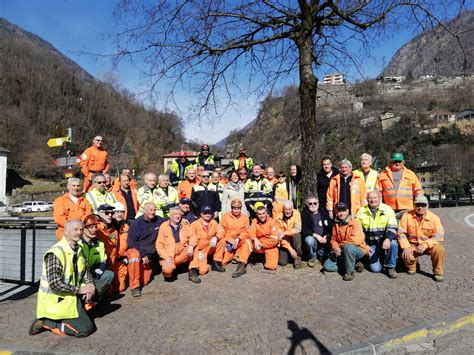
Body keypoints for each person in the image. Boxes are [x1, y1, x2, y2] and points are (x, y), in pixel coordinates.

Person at [29, 220, 96, 337]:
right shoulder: (56, 253)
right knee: (86, 329)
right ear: (66, 233)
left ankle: (81, 308)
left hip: (72, 294)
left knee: (101, 285)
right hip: (58, 300)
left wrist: (90, 285)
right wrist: (81, 290)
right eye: (75, 230)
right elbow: (55, 284)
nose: (79, 232)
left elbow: (85, 271)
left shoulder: (79, 249)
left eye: (81, 229)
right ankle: (47, 322)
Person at [398, 195, 445, 282]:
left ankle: (438, 272)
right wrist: (406, 247)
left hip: (427, 245)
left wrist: (425, 244)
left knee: (439, 249)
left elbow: (439, 235)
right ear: (414, 205)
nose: (420, 208)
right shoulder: (407, 216)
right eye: (418, 205)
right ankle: (412, 266)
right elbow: (401, 233)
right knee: (405, 254)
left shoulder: (434, 218)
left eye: (423, 205)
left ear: (427, 205)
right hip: (412, 244)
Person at [126, 202, 166, 297]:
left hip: (150, 255)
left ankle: (139, 274)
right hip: (138, 252)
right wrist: (143, 255)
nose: (152, 212)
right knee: (134, 256)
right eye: (150, 210)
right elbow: (131, 242)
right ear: (144, 210)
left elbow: (169, 221)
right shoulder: (136, 223)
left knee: (145, 281)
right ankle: (134, 287)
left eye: (154, 210)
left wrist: (182, 220)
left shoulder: (158, 220)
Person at [356, 191, 398, 278]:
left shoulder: (388, 209)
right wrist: (364, 244)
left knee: (393, 243)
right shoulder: (361, 211)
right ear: (367, 199)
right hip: (371, 243)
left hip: (384, 240)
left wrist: (388, 239)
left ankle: (391, 267)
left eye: (375, 197)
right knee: (376, 269)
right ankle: (378, 257)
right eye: (370, 198)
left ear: (380, 198)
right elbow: (358, 231)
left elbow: (393, 227)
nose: (372, 200)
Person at [323, 202, 369, 281]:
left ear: (347, 211)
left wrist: (340, 246)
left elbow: (355, 240)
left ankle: (350, 272)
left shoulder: (355, 223)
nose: (340, 213)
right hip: (342, 250)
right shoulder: (335, 224)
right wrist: (336, 248)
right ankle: (353, 264)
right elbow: (333, 240)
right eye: (338, 211)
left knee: (348, 247)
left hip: (358, 249)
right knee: (327, 266)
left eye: (343, 211)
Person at [232, 203, 279, 277]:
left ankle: (260, 257)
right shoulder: (254, 221)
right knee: (247, 241)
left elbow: (274, 240)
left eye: (263, 213)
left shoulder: (272, 222)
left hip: (269, 247)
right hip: (257, 245)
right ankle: (242, 266)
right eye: (259, 214)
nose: (261, 216)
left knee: (271, 266)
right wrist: (255, 239)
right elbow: (251, 233)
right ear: (256, 214)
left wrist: (262, 244)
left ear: (266, 213)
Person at [79, 214, 114, 303]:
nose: (94, 230)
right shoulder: (78, 245)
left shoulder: (99, 244)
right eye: (91, 227)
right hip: (79, 276)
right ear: (83, 229)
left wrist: (96, 274)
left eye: (95, 227)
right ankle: (82, 300)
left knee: (109, 275)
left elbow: (102, 262)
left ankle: (94, 300)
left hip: (93, 273)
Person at [376, 152, 423, 217]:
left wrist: (420, 206)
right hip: (389, 209)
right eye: (395, 161)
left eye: (399, 161)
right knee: (392, 227)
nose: (397, 163)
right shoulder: (383, 175)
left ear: (403, 162)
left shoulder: (411, 174)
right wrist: (379, 208)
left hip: (407, 209)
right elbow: (378, 193)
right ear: (391, 162)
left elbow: (418, 191)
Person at [155, 207, 193, 281]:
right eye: (175, 214)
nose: (177, 216)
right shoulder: (164, 226)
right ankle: (172, 269)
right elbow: (159, 245)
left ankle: (192, 269)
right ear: (170, 215)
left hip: (182, 252)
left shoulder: (185, 224)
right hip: (169, 255)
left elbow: (193, 236)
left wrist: (191, 246)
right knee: (168, 271)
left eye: (179, 214)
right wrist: (166, 257)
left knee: (194, 246)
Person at [214, 198, 250, 268]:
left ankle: (239, 255)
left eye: (238, 208)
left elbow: (246, 231)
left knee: (247, 241)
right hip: (228, 241)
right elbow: (222, 231)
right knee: (223, 262)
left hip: (239, 241)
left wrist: (238, 239)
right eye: (234, 208)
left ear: (241, 208)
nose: (236, 210)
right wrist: (230, 240)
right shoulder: (225, 217)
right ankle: (231, 255)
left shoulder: (245, 217)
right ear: (231, 208)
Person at [188, 206, 221, 283]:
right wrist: (194, 248)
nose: (207, 215)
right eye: (205, 213)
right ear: (201, 214)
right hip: (200, 250)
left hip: (210, 247)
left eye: (209, 213)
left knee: (221, 241)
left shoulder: (214, 222)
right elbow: (192, 236)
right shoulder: (195, 224)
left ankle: (215, 262)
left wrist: (216, 237)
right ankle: (193, 270)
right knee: (203, 271)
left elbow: (221, 231)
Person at [302, 197, 331, 267]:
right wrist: (316, 236)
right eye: (310, 203)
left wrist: (327, 236)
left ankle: (322, 256)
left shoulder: (324, 213)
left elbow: (331, 226)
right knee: (309, 240)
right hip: (314, 239)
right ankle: (313, 257)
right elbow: (304, 230)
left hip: (324, 239)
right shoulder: (304, 215)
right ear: (307, 205)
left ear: (318, 204)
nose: (313, 205)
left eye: (315, 203)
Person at [275, 200, 302, 268]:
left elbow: (297, 229)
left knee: (297, 235)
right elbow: (279, 236)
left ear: (292, 208)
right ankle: (290, 254)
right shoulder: (278, 218)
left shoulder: (296, 213)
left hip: (294, 237)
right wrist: (290, 248)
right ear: (283, 209)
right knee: (282, 262)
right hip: (285, 241)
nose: (288, 211)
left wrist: (285, 233)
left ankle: (298, 257)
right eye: (286, 209)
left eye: (290, 209)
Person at [110, 202, 130, 292]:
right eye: (116, 212)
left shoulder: (127, 226)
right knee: (110, 290)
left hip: (122, 261)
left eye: (121, 212)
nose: (119, 214)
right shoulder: (108, 227)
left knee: (121, 288)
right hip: (111, 262)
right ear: (112, 214)